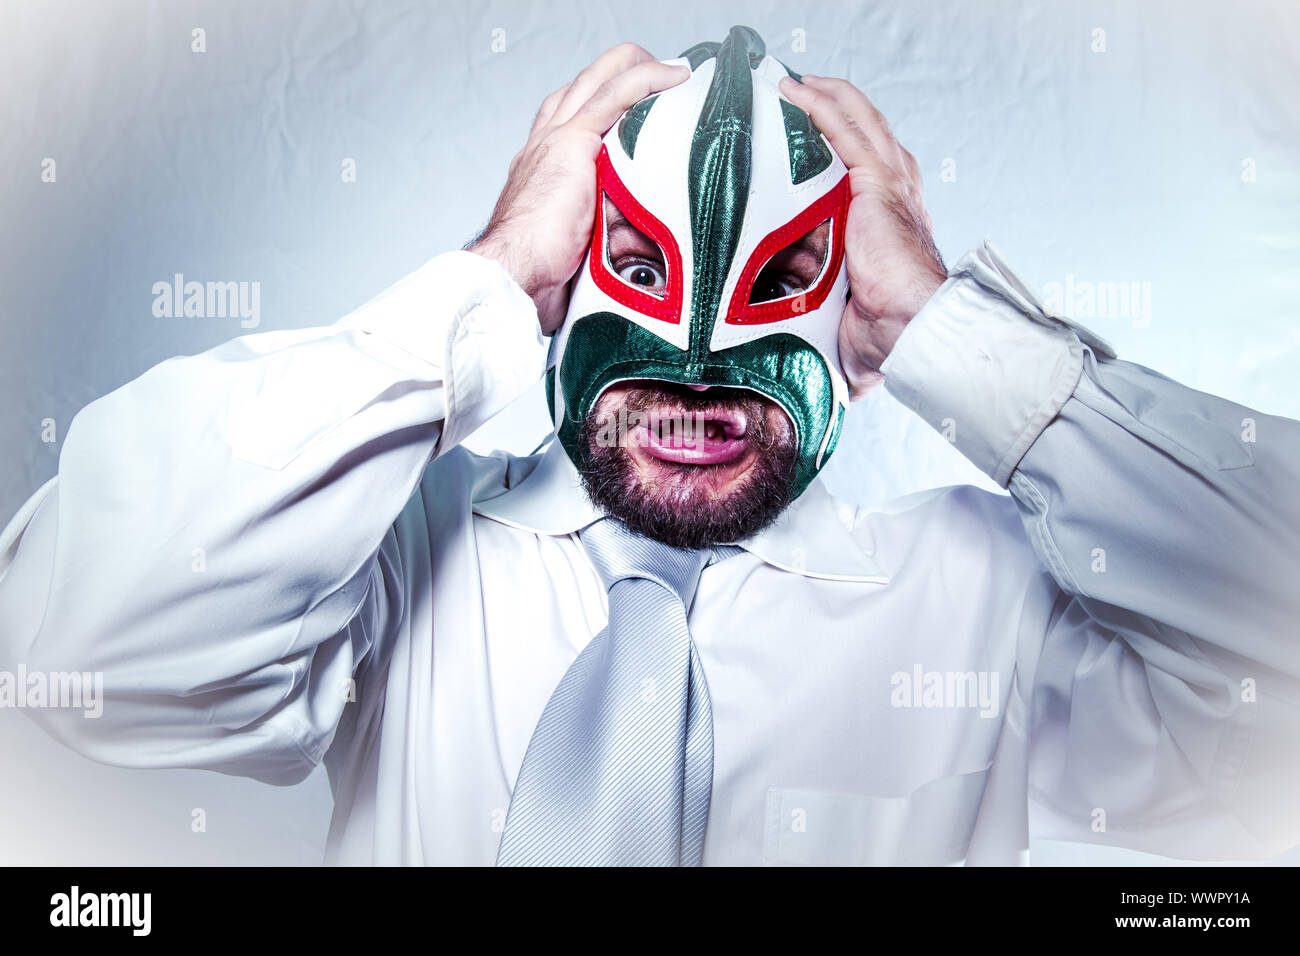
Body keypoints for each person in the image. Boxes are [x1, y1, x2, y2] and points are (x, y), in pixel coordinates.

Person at [1, 26, 1297, 867]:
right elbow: (71, 641)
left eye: (782, 276)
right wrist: (490, 279)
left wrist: (949, 333)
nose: (695, 371)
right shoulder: (391, 566)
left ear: (850, 306)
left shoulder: (992, 608)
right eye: (634, 264)